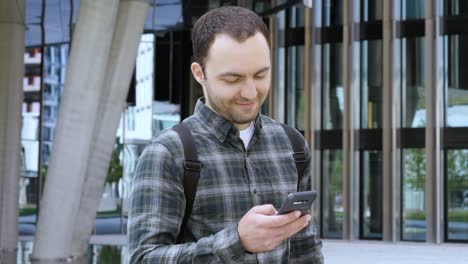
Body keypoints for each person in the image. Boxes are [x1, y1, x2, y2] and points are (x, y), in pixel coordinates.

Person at [128, 6, 323, 263]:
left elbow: (304, 249)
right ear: (200, 73)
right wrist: (237, 241)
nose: (251, 92)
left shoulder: (292, 145)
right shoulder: (168, 154)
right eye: (233, 79)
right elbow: (143, 259)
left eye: (260, 75)